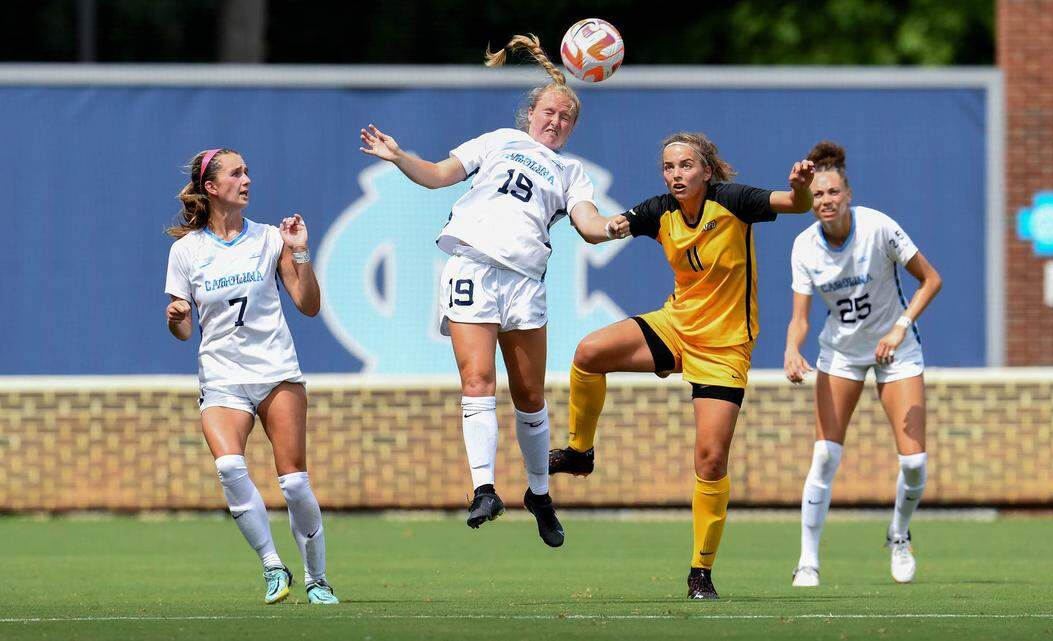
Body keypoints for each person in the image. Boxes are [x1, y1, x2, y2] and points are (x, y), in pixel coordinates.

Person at [358, 34, 627, 547]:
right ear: (531, 113)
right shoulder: (499, 140)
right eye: (549, 111)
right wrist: (397, 157)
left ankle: (539, 494)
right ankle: (484, 488)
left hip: (525, 283)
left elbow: (590, 226)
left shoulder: (572, 173)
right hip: (473, 268)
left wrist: (619, 226)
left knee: (529, 396)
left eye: (566, 118)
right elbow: (438, 175)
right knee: (477, 380)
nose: (556, 122)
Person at [548, 132, 815, 599]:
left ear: (706, 171)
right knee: (589, 353)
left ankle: (700, 571)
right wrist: (579, 209)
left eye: (686, 166)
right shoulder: (658, 211)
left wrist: (801, 186)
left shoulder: (732, 200)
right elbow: (599, 231)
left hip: (724, 346)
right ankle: (579, 453)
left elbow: (795, 204)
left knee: (710, 460)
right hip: (676, 326)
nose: (676, 174)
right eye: (669, 167)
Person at [164, 148, 339, 605]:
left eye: (247, 172)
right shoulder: (185, 251)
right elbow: (184, 331)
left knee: (294, 482)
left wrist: (300, 250)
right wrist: (176, 315)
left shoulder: (268, 239)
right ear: (212, 187)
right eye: (236, 173)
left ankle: (318, 579)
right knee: (228, 466)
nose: (247, 179)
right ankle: (271, 565)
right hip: (221, 375)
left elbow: (308, 304)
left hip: (276, 370)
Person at [783, 141, 942, 587]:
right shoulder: (804, 248)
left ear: (848, 194)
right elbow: (800, 319)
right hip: (841, 353)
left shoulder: (879, 228)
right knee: (824, 456)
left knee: (914, 464)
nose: (825, 201)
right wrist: (792, 350)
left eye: (832, 192)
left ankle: (898, 534)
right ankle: (808, 561)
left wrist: (900, 327)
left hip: (897, 349)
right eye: (817, 195)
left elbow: (931, 280)